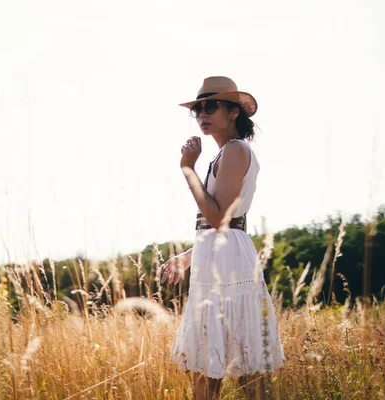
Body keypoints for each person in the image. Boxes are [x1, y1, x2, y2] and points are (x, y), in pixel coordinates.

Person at [159, 76, 285, 400]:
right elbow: (220, 225)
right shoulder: (224, 153)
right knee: (207, 364)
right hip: (218, 256)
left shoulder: (235, 150)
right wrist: (188, 257)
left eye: (210, 106)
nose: (202, 113)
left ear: (233, 112)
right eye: (198, 108)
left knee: (239, 367)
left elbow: (220, 219)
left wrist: (188, 169)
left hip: (228, 264)